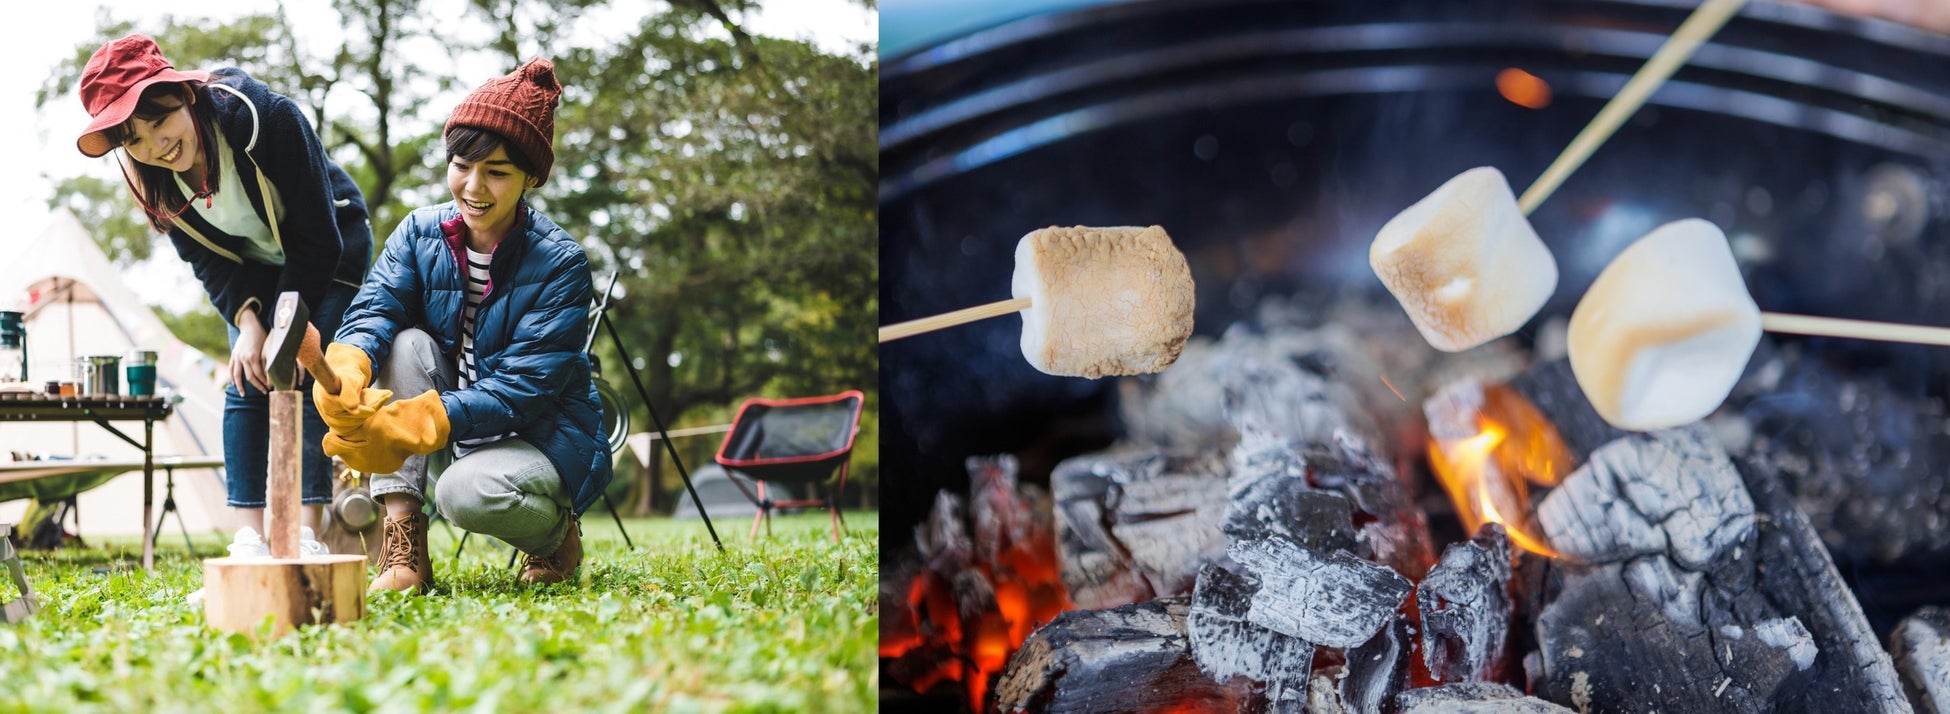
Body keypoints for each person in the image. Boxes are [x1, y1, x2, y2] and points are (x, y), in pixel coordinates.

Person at [316, 57, 610, 593]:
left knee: (461, 494)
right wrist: (348, 363)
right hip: (458, 431)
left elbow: (526, 389)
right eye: (461, 164)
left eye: (497, 172)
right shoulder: (418, 232)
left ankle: (555, 539)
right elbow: (375, 306)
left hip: (540, 438)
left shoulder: (560, 262)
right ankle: (403, 552)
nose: (474, 186)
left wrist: (415, 423)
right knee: (401, 343)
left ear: (530, 178)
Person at [75, 34, 371, 537]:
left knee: (303, 372)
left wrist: (287, 328)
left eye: (160, 120)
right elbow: (207, 263)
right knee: (245, 377)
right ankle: (248, 538)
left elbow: (319, 239)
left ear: (185, 95)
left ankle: (308, 530)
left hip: (330, 249)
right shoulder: (156, 186)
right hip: (256, 272)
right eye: (134, 139)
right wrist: (249, 321)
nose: (156, 145)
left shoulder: (265, 120)